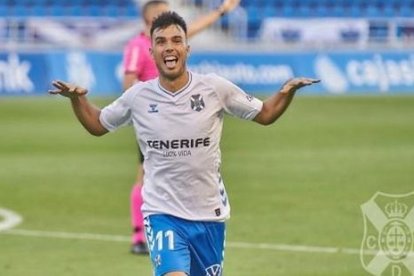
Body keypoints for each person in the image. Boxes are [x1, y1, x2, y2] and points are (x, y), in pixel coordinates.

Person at [49, 11, 319, 276]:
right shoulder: (138, 97)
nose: (169, 47)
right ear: (151, 52)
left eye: (176, 40)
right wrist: (77, 100)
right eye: (161, 41)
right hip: (162, 212)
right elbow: (98, 124)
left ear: (187, 48)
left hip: (209, 215)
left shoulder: (214, 88)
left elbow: (265, 114)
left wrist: (286, 93)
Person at [122, 0, 241, 255]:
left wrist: (220, 11)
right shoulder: (138, 45)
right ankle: (139, 234)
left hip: (179, 117)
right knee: (145, 175)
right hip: (155, 122)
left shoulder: (173, 41)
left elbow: (194, 28)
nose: (166, 16)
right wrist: (142, 110)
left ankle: (169, 230)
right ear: (148, 20)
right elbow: (129, 80)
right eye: (160, 14)